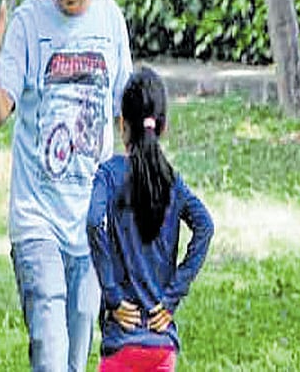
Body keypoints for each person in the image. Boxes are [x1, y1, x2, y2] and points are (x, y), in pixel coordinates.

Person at [0, 0, 133, 371]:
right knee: (51, 353)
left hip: (92, 224)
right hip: (37, 220)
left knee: (75, 357)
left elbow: (126, 116)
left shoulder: (110, 21)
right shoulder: (28, 23)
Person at [87, 67, 214, 371]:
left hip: (121, 343)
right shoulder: (173, 183)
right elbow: (205, 226)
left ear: (122, 124)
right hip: (161, 345)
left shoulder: (109, 175)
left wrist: (113, 294)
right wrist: (172, 296)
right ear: (162, 126)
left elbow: (93, 222)